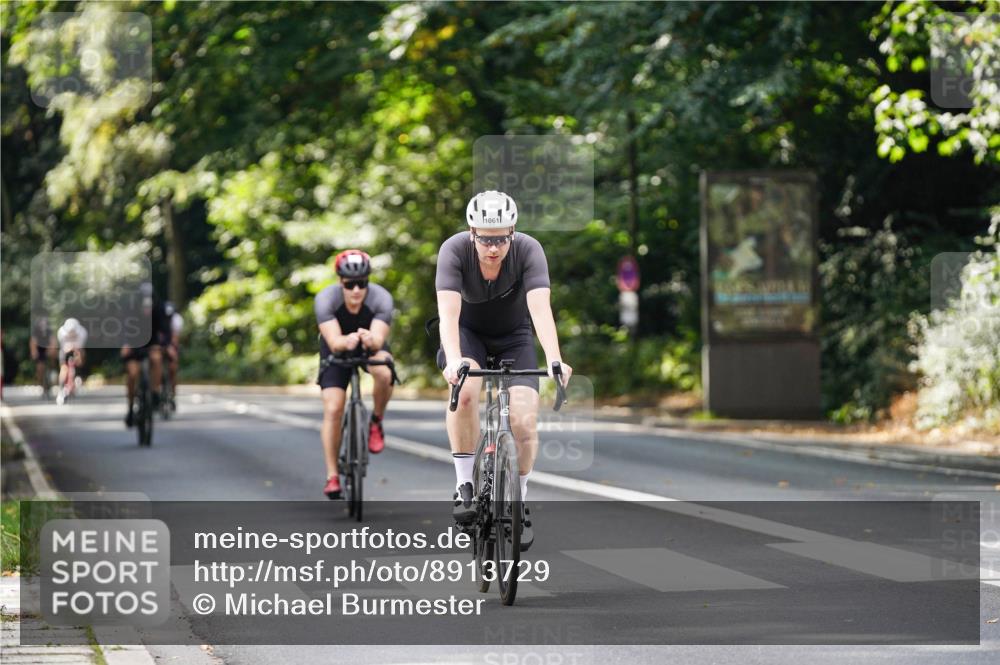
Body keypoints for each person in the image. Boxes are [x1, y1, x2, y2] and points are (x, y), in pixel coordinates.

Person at [435, 190, 572, 551]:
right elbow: (448, 314)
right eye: (484, 238)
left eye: (500, 238)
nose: (493, 247)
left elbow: (540, 309)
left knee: (525, 421)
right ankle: (465, 485)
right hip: (468, 336)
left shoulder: (529, 250)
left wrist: (555, 358)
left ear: (513, 231)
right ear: (471, 232)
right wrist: (454, 360)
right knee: (465, 395)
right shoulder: (453, 251)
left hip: (515, 336)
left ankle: (519, 501)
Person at [315, 250, 395, 499]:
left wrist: (370, 339)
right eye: (350, 285)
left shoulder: (381, 298)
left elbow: (379, 338)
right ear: (341, 282)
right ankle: (332, 476)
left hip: (368, 343)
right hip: (337, 346)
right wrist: (345, 341)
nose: (356, 290)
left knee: (385, 370)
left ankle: (376, 421)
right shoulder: (326, 299)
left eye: (362, 283)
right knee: (334, 408)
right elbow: (333, 340)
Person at [121, 283, 171, 427]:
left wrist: (165, 345)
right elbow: (124, 329)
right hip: (134, 344)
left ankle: (155, 392)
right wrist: (126, 344)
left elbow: (166, 330)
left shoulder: (159, 309)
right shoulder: (131, 310)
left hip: (152, 343)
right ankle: (130, 407)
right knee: (133, 373)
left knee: (156, 359)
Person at [56, 317, 88, 403]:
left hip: (77, 349)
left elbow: (80, 349)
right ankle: (61, 388)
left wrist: (79, 359)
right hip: (65, 349)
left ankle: (77, 377)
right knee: (64, 368)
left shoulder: (82, 333)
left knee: (80, 361)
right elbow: (63, 348)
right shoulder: (61, 333)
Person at [29, 315, 56, 398]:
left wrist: (52, 351)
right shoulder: (36, 331)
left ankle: (52, 376)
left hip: (48, 348)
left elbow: (53, 342)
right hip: (39, 349)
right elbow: (33, 343)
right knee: (40, 368)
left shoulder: (49, 331)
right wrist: (34, 352)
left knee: (52, 359)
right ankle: (41, 384)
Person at [164, 301, 183, 407]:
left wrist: (171, 349)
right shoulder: (158, 318)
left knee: (173, 369)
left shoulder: (177, 320)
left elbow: (175, 337)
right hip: (160, 346)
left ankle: (173, 395)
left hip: (171, 345)